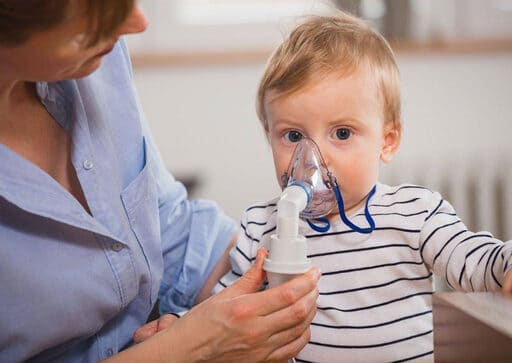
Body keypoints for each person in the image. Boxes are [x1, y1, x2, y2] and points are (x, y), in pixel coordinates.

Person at [0, 1, 319, 362]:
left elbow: (170, 230)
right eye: (95, 18)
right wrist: (188, 347)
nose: (137, 24)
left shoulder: (99, 62)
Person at [213, 11, 512, 362]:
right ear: (270, 136)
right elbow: (224, 315)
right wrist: (180, 326)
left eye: (341, 133)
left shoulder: (414, 215)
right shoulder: (261, 227)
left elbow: (477, 263)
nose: (312, 159)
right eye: (293, 136)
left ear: (387, 141)